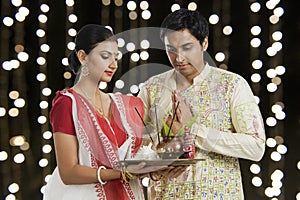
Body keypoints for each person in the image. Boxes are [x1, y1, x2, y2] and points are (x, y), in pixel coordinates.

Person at [138, 8, 266, 199]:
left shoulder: (231, 85)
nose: (179, 58)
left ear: (204, 43)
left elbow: (256, 147)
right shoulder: (151, 89)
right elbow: (135, 147)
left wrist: (194, 130)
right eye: (171, 50)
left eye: (187, 48)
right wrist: (155, 164)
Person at [43, 24, 147, 200]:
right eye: (105, 56)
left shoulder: (122, 105)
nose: (113, 65)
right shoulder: (67, 104)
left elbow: (142, 151)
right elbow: (68, 172)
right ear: (82, 56)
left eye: (115, 58)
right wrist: (122, 173)